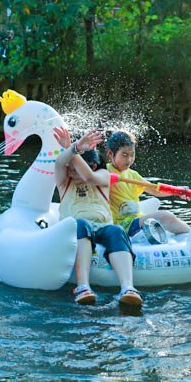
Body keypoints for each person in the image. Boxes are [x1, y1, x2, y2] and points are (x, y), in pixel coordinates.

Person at [53, 126, 143, 309]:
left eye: (74, 168)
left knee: (117, 230)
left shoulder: (102, 176)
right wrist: (73, 148)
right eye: (70, 167)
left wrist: (75, 150)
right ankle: (83, 287)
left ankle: (128, 288)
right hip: (77, 229)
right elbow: (60, 163)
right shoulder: (64, 182)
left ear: (93, 166)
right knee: (81, 224)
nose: (70, 171)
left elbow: (88, 177)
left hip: (102, 227)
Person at [105, 131, 189, 238]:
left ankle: (190, 236)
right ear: (111, 154)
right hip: (122, 226)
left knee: (165, 217)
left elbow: (155, 190)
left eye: (132, 154)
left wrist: (177, 191)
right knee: (165, 216)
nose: (129, 159)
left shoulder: (133, 174)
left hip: (136, 221)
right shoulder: (105, 171)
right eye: (124, 155)